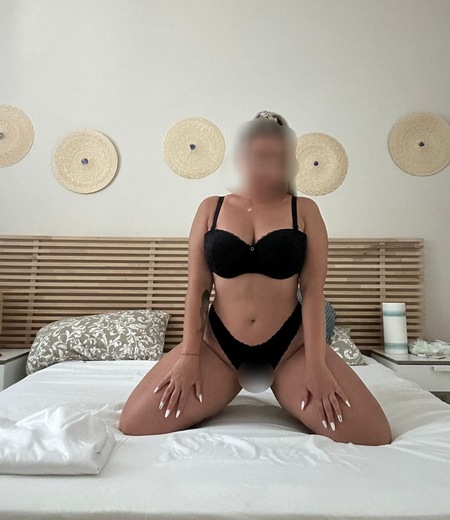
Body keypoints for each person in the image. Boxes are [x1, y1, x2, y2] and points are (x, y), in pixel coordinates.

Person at [119, 111, 392, 445]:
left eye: (276, 158)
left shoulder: (305, 211)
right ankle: (217, 389)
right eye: (258, 155)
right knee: (134, 423)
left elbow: (313, 293)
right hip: (219, 349)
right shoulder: (211, 209)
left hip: (290, 349)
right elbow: (198, 289)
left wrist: (316, 364)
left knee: (374, 434)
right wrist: (190, 356)